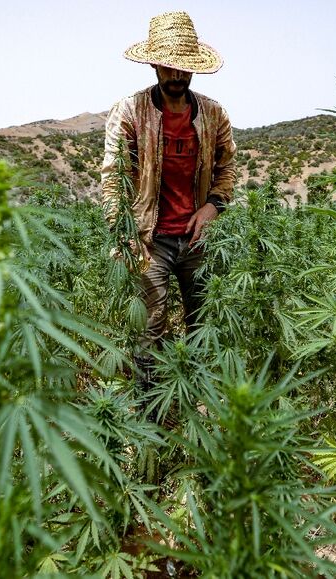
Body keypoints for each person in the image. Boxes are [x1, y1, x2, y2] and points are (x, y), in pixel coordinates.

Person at [100, 11, 237, 381]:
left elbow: (227, 170)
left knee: (203, 323)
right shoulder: (131, 111)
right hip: (149, 238)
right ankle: (152, 417)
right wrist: (124, 232)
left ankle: (198, 403)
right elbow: (114, 178)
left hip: (198, 238)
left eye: (183, 68)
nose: (176, 75)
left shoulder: (212, 114)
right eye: (168, 67)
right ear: (154, 65)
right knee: (151, 327)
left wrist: (212, 207)